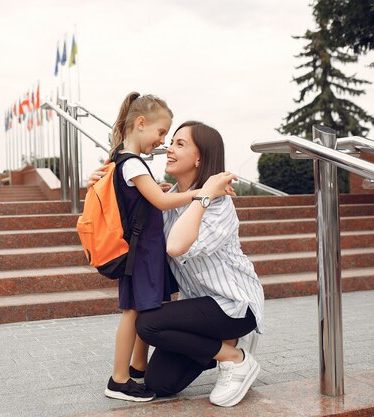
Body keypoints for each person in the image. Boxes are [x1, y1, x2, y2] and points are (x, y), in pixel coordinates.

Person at [90, 120, 264, 408]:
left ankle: (235, 358)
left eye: (179, 144)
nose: (168, 149)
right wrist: (102, 185)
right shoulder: (168, 199)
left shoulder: (218, 204)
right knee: (161, 384)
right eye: (170, 141)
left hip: (234, 304)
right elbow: (126, 216)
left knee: (148, 323)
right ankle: (226, 344)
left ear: (200, 157)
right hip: (197, 305)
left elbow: (175, 246)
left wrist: (205, 194)